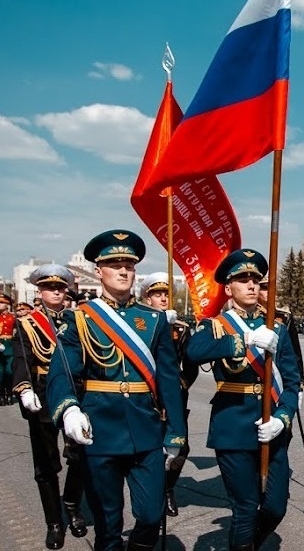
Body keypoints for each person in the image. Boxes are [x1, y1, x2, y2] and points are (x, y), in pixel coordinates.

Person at [47, 229, 187, 551]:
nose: (123, 271)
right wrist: (68, 407)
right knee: (108, 525)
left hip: (146, 431)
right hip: (101, 431)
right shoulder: (80, 318)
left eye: (129, 264)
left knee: (151, 516)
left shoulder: (153, 320)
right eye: (114, 264)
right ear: (99, 271)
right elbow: (62, 370)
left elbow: (168, 379)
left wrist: (176, 434)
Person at [185, 249, 301, 550]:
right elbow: (194, 352)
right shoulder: (214, 326)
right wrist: (244, 339)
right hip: (233, 425)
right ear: (228, 288)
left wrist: (282, 418)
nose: (252, 286)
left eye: (256, 280)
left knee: (275, 506)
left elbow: (291, 380)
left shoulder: (276, 326)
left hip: (272, 424)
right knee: (246, 507)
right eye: (243, 280)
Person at [11, 265, 88, 549]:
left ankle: (71, 505)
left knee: (80, 455)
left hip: (75, 389)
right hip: (43, 391)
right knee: (45, 464)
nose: (56, 291)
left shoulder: (79, 319)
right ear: (39, 292)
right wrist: (24, 387)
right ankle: (54, 522)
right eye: (49, 287)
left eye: (60, 287)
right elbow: (22, 358)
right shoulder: (28, 323)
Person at [138, 272, 198, 518]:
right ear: (147, 297)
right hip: (148, 396)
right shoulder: (141, 324)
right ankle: (152, 492)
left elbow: (191, 362)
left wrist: (181, 383)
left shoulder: (181, 328)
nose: (162, 298)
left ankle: (168, 489)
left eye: (166, 294)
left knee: (180, 447)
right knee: (149, 447)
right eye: (157, 294)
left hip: (173, 397)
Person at [0, 292, 16, 406]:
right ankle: (1, 395)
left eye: (1, 302)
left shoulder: (13, 317)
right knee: (0, 373)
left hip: (10, 346)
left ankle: (10, 393)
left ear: (7, 304)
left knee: (9, 371)